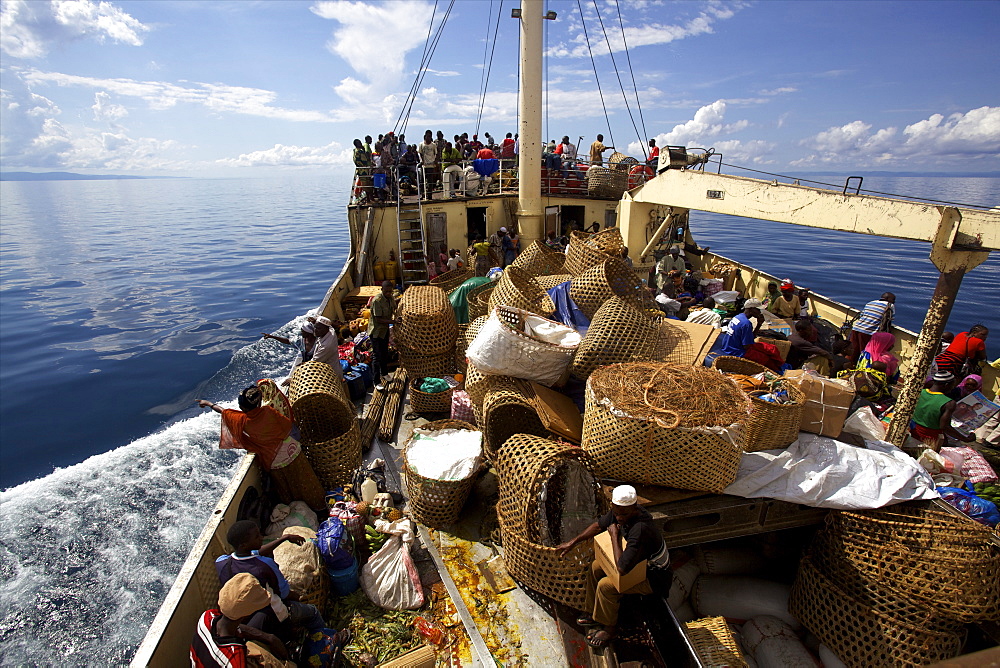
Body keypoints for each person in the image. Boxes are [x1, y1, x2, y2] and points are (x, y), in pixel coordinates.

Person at [556, 485, 669, 649]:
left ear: (634, 508)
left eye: (623, 514)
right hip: (638, 565)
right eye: (616, 513)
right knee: (596, 566)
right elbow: (598, 526)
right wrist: (573, 542)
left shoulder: (641, 529)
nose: (619, 518)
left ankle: (610, 628)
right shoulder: (620, 512)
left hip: (653, 577)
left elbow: (622, 568)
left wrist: (614, 536)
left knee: (606, 586)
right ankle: (593, 612)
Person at [197, 387, 326, 511]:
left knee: (288, 487)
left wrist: (208, 403)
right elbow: (288, 425)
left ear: (242, 408)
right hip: (293, 451)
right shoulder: (268, 411)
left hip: (275, 461)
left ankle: (293, 509)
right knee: (305, 480)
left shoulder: (242, 420)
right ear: (259, 403)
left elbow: (223, 412)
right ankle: (319, 506)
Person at [215, 521, 326, 634]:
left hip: (245, 617)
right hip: (273, 612)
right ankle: (324, 637)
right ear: (243, 545)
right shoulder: (264, 566)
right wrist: (301, 598)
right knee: (312, 612)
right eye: (257, 536)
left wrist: (284, 538)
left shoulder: (222, 562)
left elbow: (254, 553)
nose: (261, 537)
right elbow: (284, 593)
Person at [190, 572, 294, 667]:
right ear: (247, 615)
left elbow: (234, 626)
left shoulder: (207, 617)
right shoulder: (235, 660)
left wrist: (269, 638)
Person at [911, 371, 974, 446]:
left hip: (912, 431)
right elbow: (945, 427)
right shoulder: (949, 403)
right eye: (952, 385)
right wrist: (966, 439)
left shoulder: (920, 392)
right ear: (946, 385)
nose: (953, 388)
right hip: (930, 438)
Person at [850, 293, 896, 361]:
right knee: (865, 353)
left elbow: (862, 315)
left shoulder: (870, 303)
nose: (894, 302)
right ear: (887, 299)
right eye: (893, 299)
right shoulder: (890, 305)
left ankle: (849, 365)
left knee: (853, 350)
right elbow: (891, 319)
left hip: (856, 328)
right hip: (868, 331)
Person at [367, 280, 396, 390]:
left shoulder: (391, 298)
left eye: (390, 291)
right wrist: (393, 322)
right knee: (377, 356)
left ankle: (384, 373)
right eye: (386, 291)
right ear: (382, 290)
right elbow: (378, 319)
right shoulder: (377, 301)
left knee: (384, 353)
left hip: (384, 331)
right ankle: (376, 381)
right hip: (376, 332)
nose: (388, 293)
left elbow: (394, 307)